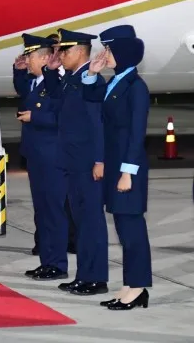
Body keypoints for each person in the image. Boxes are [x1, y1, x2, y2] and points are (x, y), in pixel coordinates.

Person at [81, 25, 151, 310]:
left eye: (108, 49)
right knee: (123, 230)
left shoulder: (136, 87)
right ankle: (129, 286)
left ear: (121, 52)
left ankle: (138, 288)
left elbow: (137, 134)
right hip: (116, 167)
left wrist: (127, 172)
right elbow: (92, 97)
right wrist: (93, 73)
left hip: (127, 169)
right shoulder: (117, 82)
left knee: (133, 232)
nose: (104, 54)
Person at [44, 28, 109, 294]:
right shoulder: (74, 78)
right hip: (72, 161)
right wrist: (50, 71)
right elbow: (57, 102)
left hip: (87, 162)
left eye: (65, 51)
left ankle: (96, 278)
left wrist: (99, 159)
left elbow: (98, 124)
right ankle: (84, 275)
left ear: (80, 51)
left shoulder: (92, 81)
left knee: (91, 221)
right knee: (80, 221)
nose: (61, 55)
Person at [14, 34, 69, 281]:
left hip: (53, 158)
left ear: (46, 58)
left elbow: (64, 119)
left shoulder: (57, 83)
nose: (27, 60)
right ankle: (47, 261)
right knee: (42, 212)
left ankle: (57, 263)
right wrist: (18, 71)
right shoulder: (36, 82)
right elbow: (23, 90)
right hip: (36, 157)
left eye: (30, 56)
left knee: (54, 212)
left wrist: (34, 118)